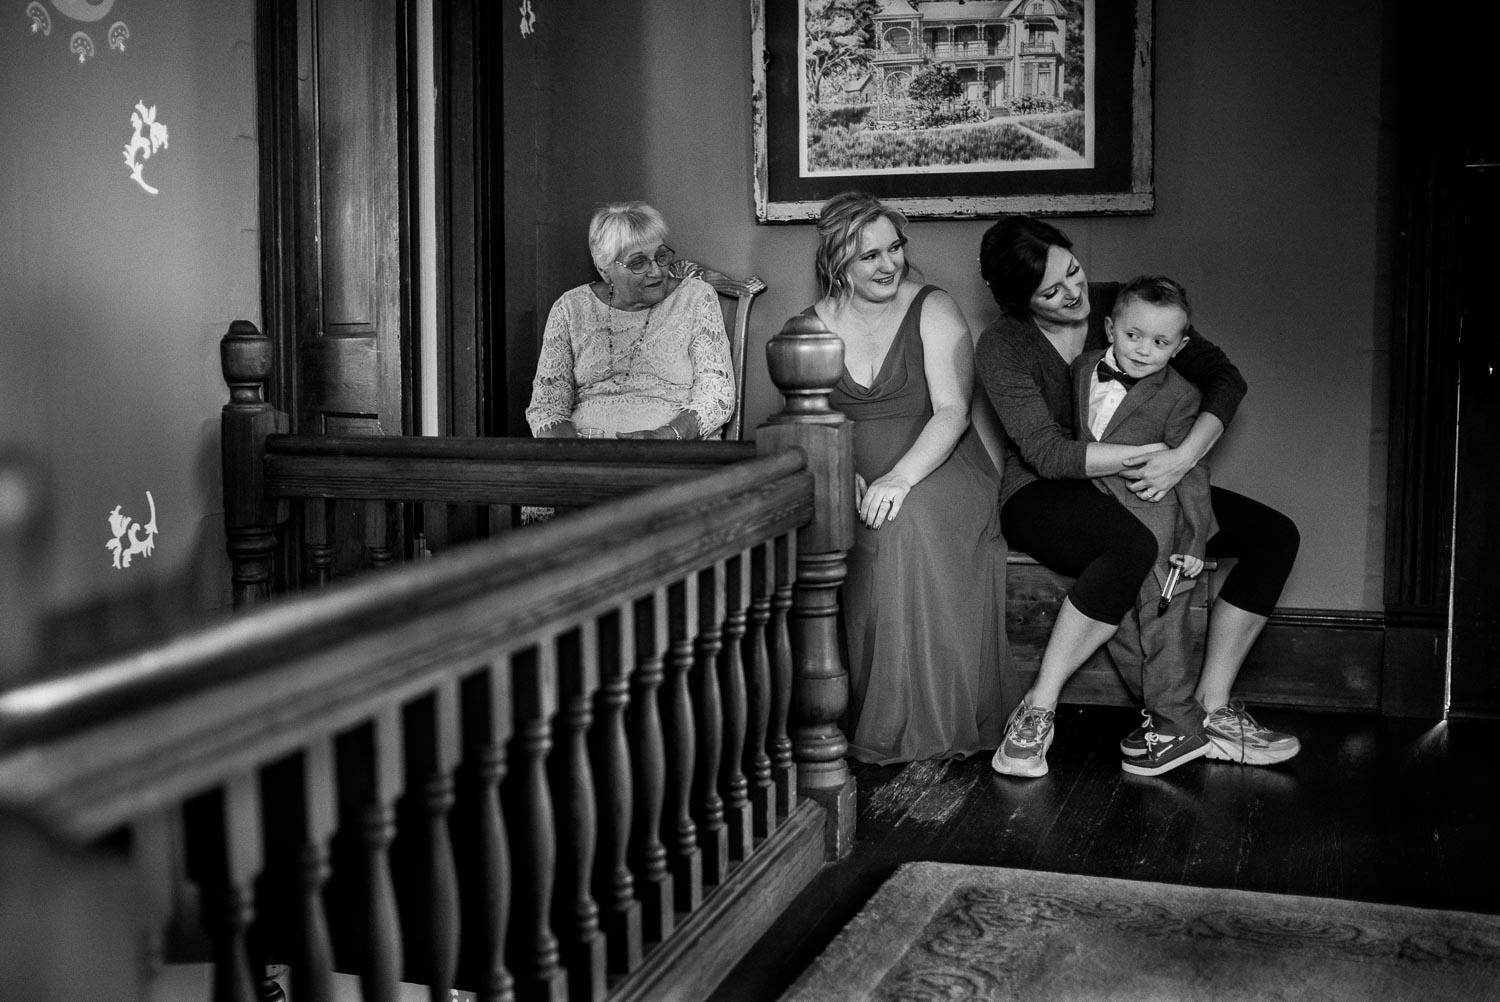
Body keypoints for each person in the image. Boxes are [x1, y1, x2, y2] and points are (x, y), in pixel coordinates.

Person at [976, 215, 1301, 779]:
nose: (1073, 292)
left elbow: (1226, 381)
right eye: (1051, 292)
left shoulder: (1128, 306)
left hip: (1149, 479)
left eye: (1074, 271)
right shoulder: (1002, 345)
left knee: (1276, 535)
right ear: (1017, 301)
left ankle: (1209, 709)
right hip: (1042, 492)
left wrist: (1181, 459)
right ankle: (1036, 713)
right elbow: (1050, 453)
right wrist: (1152, 456)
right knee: (1132, 545)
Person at [804, 191, 1007, 764]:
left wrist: (898, 478)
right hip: (853, 468)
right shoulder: (807, 327)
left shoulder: (934, 307)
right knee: (833, 524)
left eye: (895, 248)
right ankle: (841, 704)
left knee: (901, 523)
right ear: (836, 260)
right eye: (869, 255)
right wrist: (842, 474)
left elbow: (952, 412)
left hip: (937, 464)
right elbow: (808, 422)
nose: (888, 264)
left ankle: (911, 722)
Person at [1072, 276, 1218, 777]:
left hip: (1154, 516)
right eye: (1134, 335)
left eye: (1160, 343)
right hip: (1095, 515)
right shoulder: (1080, 369)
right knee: (1111, 615)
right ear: (1110, 328)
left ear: (1180, 347)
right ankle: (1176, 717)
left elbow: (1192, 468)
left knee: (1162, 612)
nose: (1143, 350)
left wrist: (1194, 538)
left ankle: (1176, 720)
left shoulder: (1181, 395)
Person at [525, 201, 734, 441]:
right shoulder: (570, 308)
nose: (656, 271)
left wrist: (664, 436)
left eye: (661, 256)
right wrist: (579, 454)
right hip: (587, 457)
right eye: (638, 263)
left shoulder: (696, 298)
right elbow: (547, 408)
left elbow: (717, 395)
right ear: (605, 270)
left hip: (674, 451)